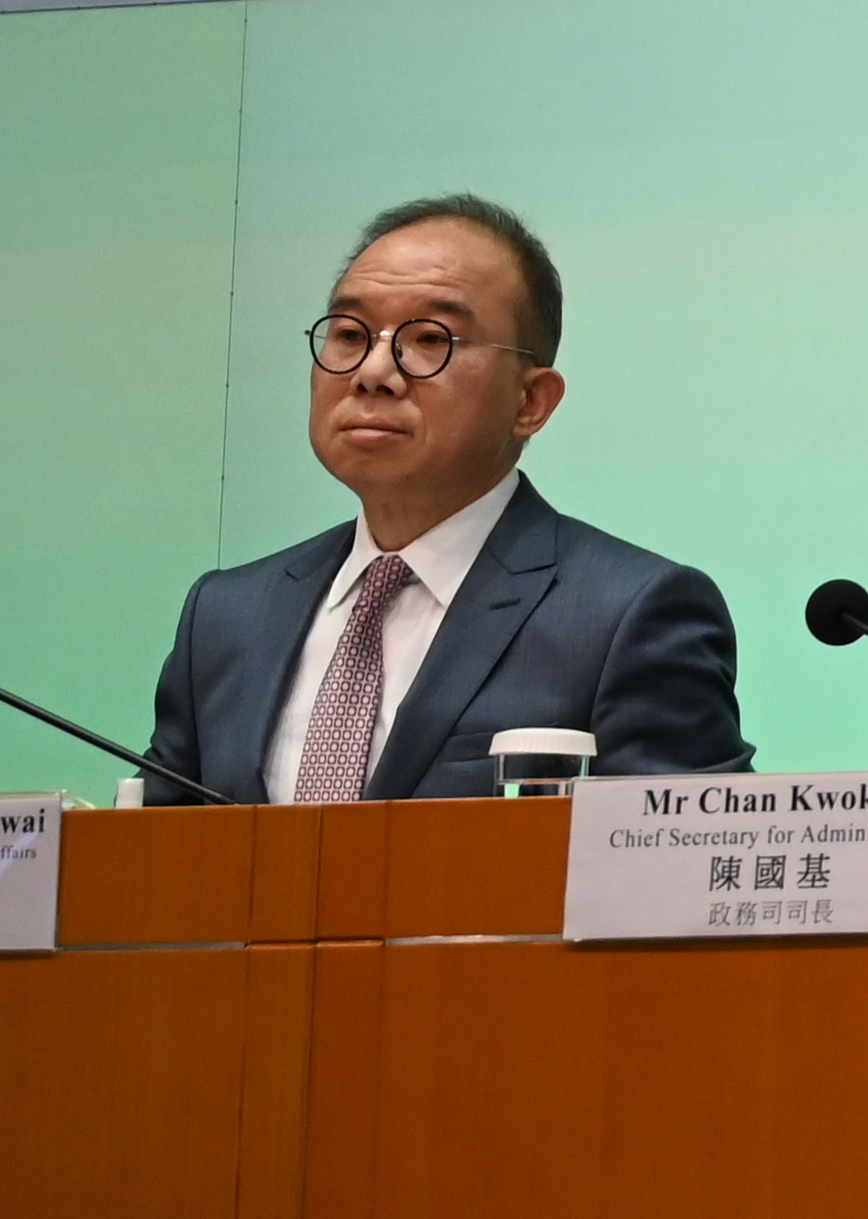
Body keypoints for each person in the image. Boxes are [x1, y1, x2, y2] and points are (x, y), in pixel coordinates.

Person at [142, 194, 742, 803]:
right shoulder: (226, 616)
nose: (373, 370)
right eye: (350, 334)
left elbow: (679, 872)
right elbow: (151, 857)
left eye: (430, 339)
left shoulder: (626, 614)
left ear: (530, 402)